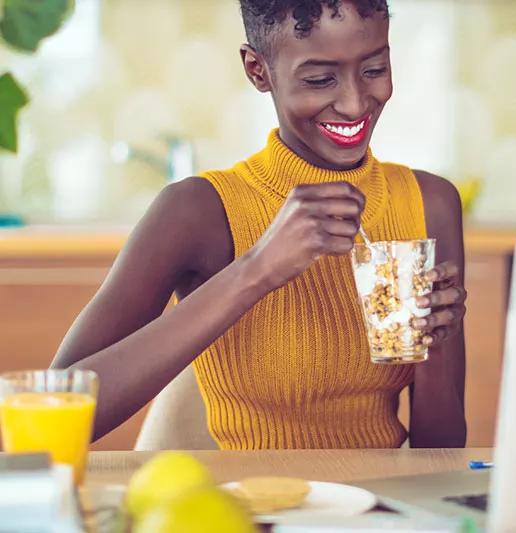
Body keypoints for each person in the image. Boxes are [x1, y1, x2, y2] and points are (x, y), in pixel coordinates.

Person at [52, 0, 467, 449]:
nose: (353, 103)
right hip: (248, 508)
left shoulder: (429, 204)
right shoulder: (196, 212)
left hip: (376, 512)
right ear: (258, 70)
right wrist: (258, 268)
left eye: (373, 69)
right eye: (319, 79)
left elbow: (439, 454)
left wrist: (436, 346)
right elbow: (54, 414)